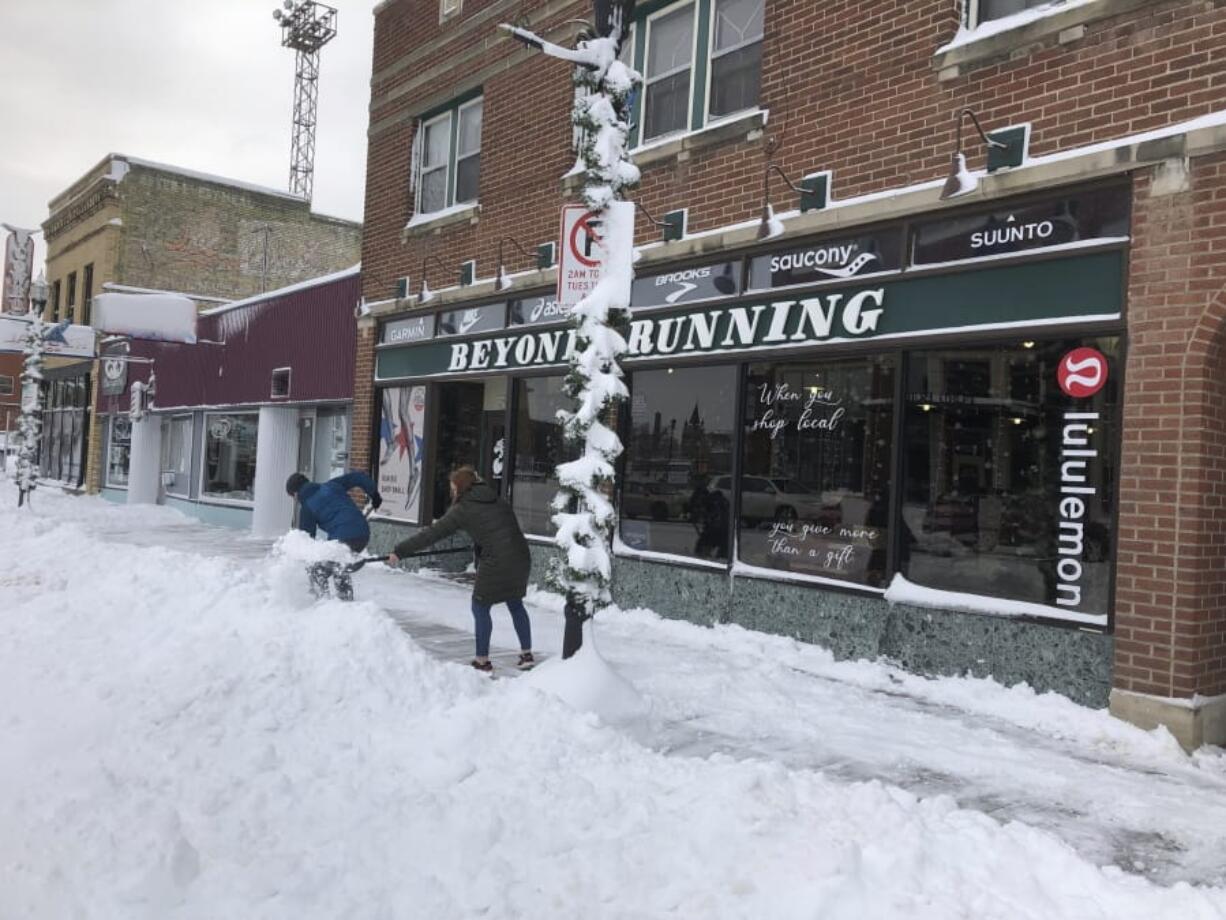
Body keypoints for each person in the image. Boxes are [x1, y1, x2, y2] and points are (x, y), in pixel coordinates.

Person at [387, 466, 535, 672]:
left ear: (459, 487)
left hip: (497, 561)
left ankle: (482, 661)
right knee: (515, 603)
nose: (452, 491)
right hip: (520, 557)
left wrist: (400, 551)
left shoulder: (463, 508)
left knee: (480, 606)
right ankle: (527, 654)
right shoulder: (497, 499)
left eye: (452, 487)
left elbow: (432, 534)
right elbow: (497, 529)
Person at [286, 470, 383, 600]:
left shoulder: (307, 507)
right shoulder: (332, 485)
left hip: (344, 537)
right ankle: (343, 603)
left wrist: (304, 556)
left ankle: (323, 605)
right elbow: (358, 477)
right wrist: (374, 494)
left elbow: (307, 540)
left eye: (292, 497)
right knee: (338, 565)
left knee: (317, 571)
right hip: (363, 532)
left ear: (296, 494)